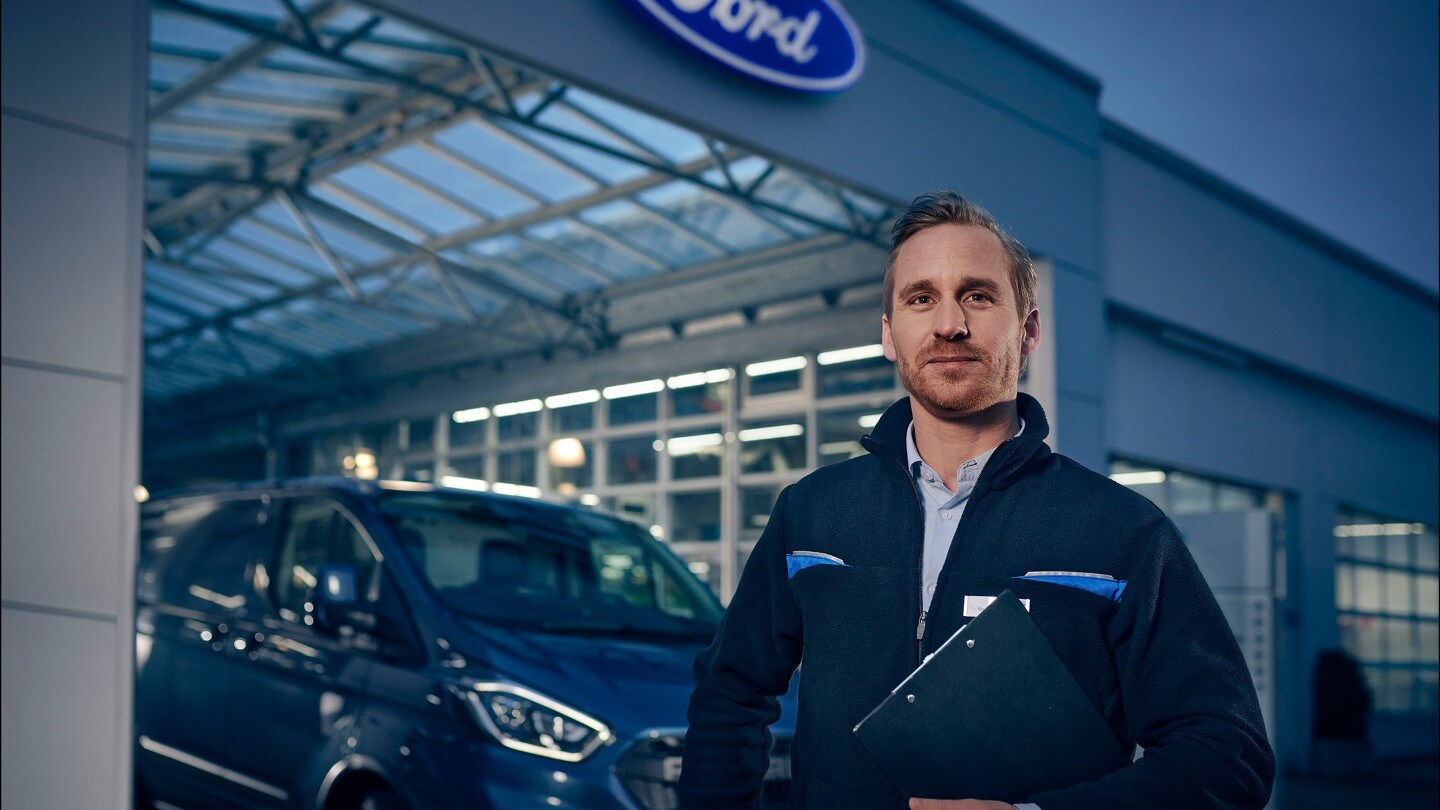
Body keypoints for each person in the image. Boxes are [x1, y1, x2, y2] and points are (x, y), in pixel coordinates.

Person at [677, 191, 1275, 810]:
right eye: (920, 298)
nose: (948, 324)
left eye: (978, 295)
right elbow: (731, 693)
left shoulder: (1121, 532)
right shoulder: (812, 512)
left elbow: (1227, 755)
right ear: (888, 334)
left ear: (1030, 328)